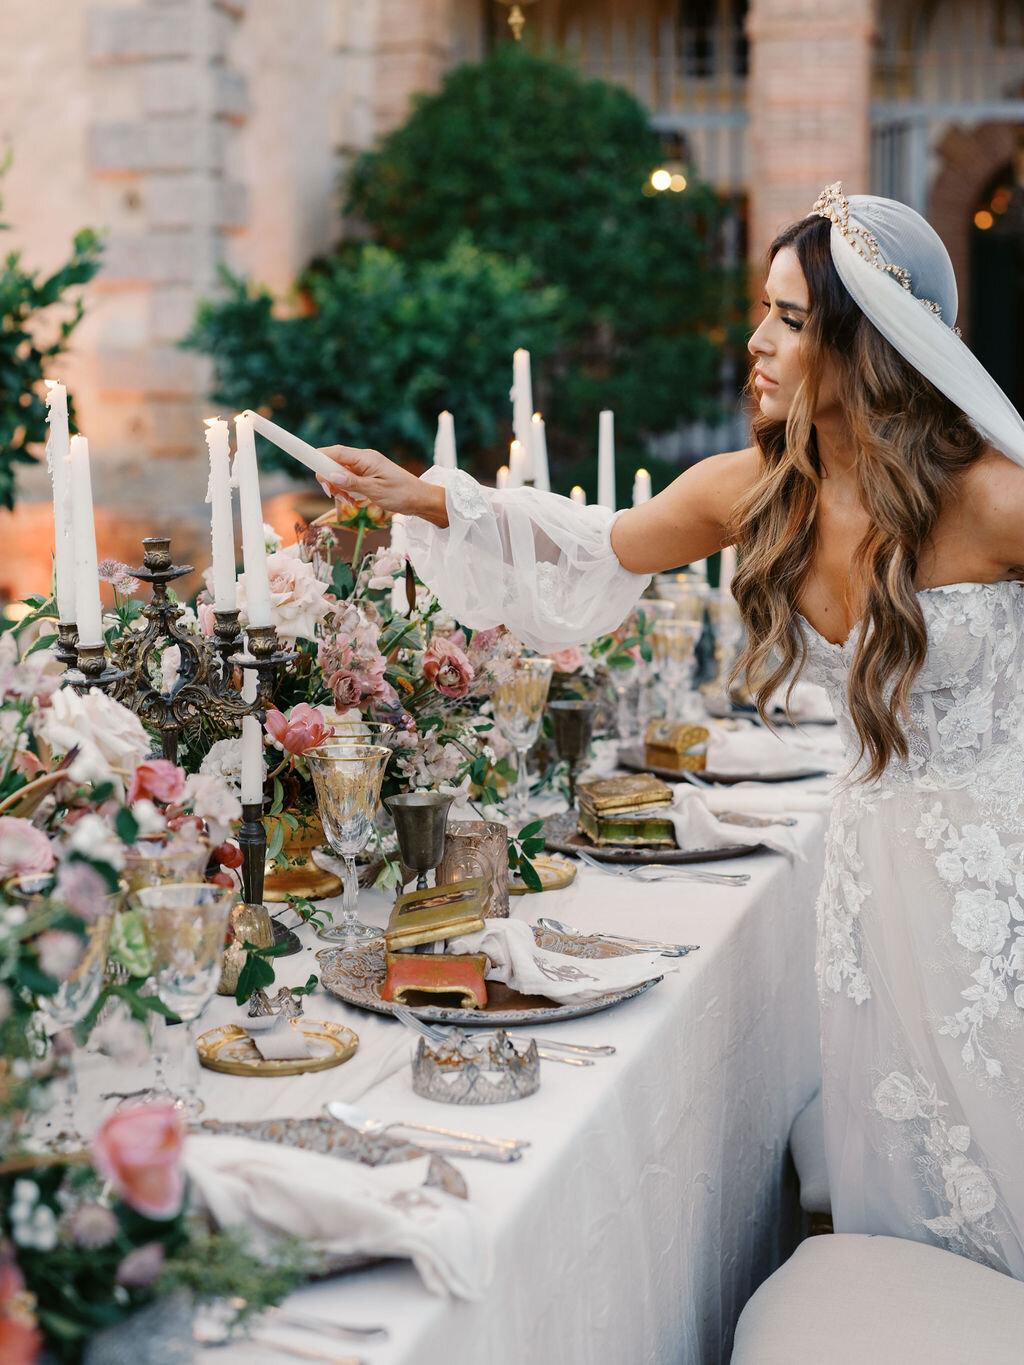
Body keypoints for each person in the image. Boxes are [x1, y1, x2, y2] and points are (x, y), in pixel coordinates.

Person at [317, 183, 1024, 1278]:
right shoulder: (759, 489)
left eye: (790, 320)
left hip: (1006, 882)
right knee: (917, 1170)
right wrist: (428, 500)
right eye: (764, 312)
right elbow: (592, 545)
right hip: (871, 892)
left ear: (870, 339)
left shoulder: (994, 499)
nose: (757, 342)